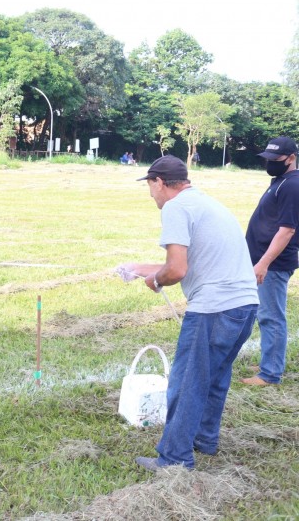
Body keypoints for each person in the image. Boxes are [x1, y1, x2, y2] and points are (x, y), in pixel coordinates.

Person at [121, 155, 259, 471]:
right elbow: (191, 263)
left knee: (187, 382)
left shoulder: (175, 207)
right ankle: (203, 438)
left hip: (213, 309)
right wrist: (137, 268)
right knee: (214, 376)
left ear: (159, 182)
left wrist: (155, 280)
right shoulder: (206, 204)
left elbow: (177, 269)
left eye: (150, 186)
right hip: (244, 306)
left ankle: (174, 459)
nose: (150, 193)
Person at [242, 136, 299, 386]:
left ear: (291, 158)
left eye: (275, 160)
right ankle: (270, 358)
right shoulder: (281, 180)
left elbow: (287, 230)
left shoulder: (292, 186)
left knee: (271, 316)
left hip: (273, 265)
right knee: (261, 312)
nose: (270, 164)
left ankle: (270, 373)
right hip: (262, 261)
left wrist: (264, 263)